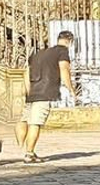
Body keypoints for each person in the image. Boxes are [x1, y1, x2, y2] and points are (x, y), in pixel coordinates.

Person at [18, 28, 74, 162]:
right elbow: (64, 69)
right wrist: (71, 88)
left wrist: (28, 90)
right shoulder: (62, 51)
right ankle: (29, 153)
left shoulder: (40, 53)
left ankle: (19, 148)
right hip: (45, 92)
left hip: (32, 92)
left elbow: (26, 72)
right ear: (70, 42)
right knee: (35, 123)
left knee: (24, 120)